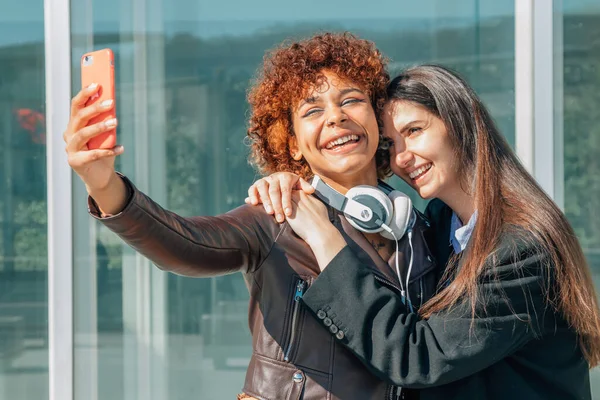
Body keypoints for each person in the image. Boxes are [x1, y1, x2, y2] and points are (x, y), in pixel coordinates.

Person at [62, 33, 437, 400]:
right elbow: (182, 243)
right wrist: (104, 185)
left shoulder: (417, 228)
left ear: (376, 119)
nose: (336, 118)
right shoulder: (275, 215)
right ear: (292, 142)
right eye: (312, 110)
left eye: (351, 100)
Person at [246, 64, 600, 399]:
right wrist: (292, 183)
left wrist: (324, 239)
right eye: (390, 145)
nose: (401, 158)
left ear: (462, 123)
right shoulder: (439, 224)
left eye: (413, 131)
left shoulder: (520, 249)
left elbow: (418, 358)